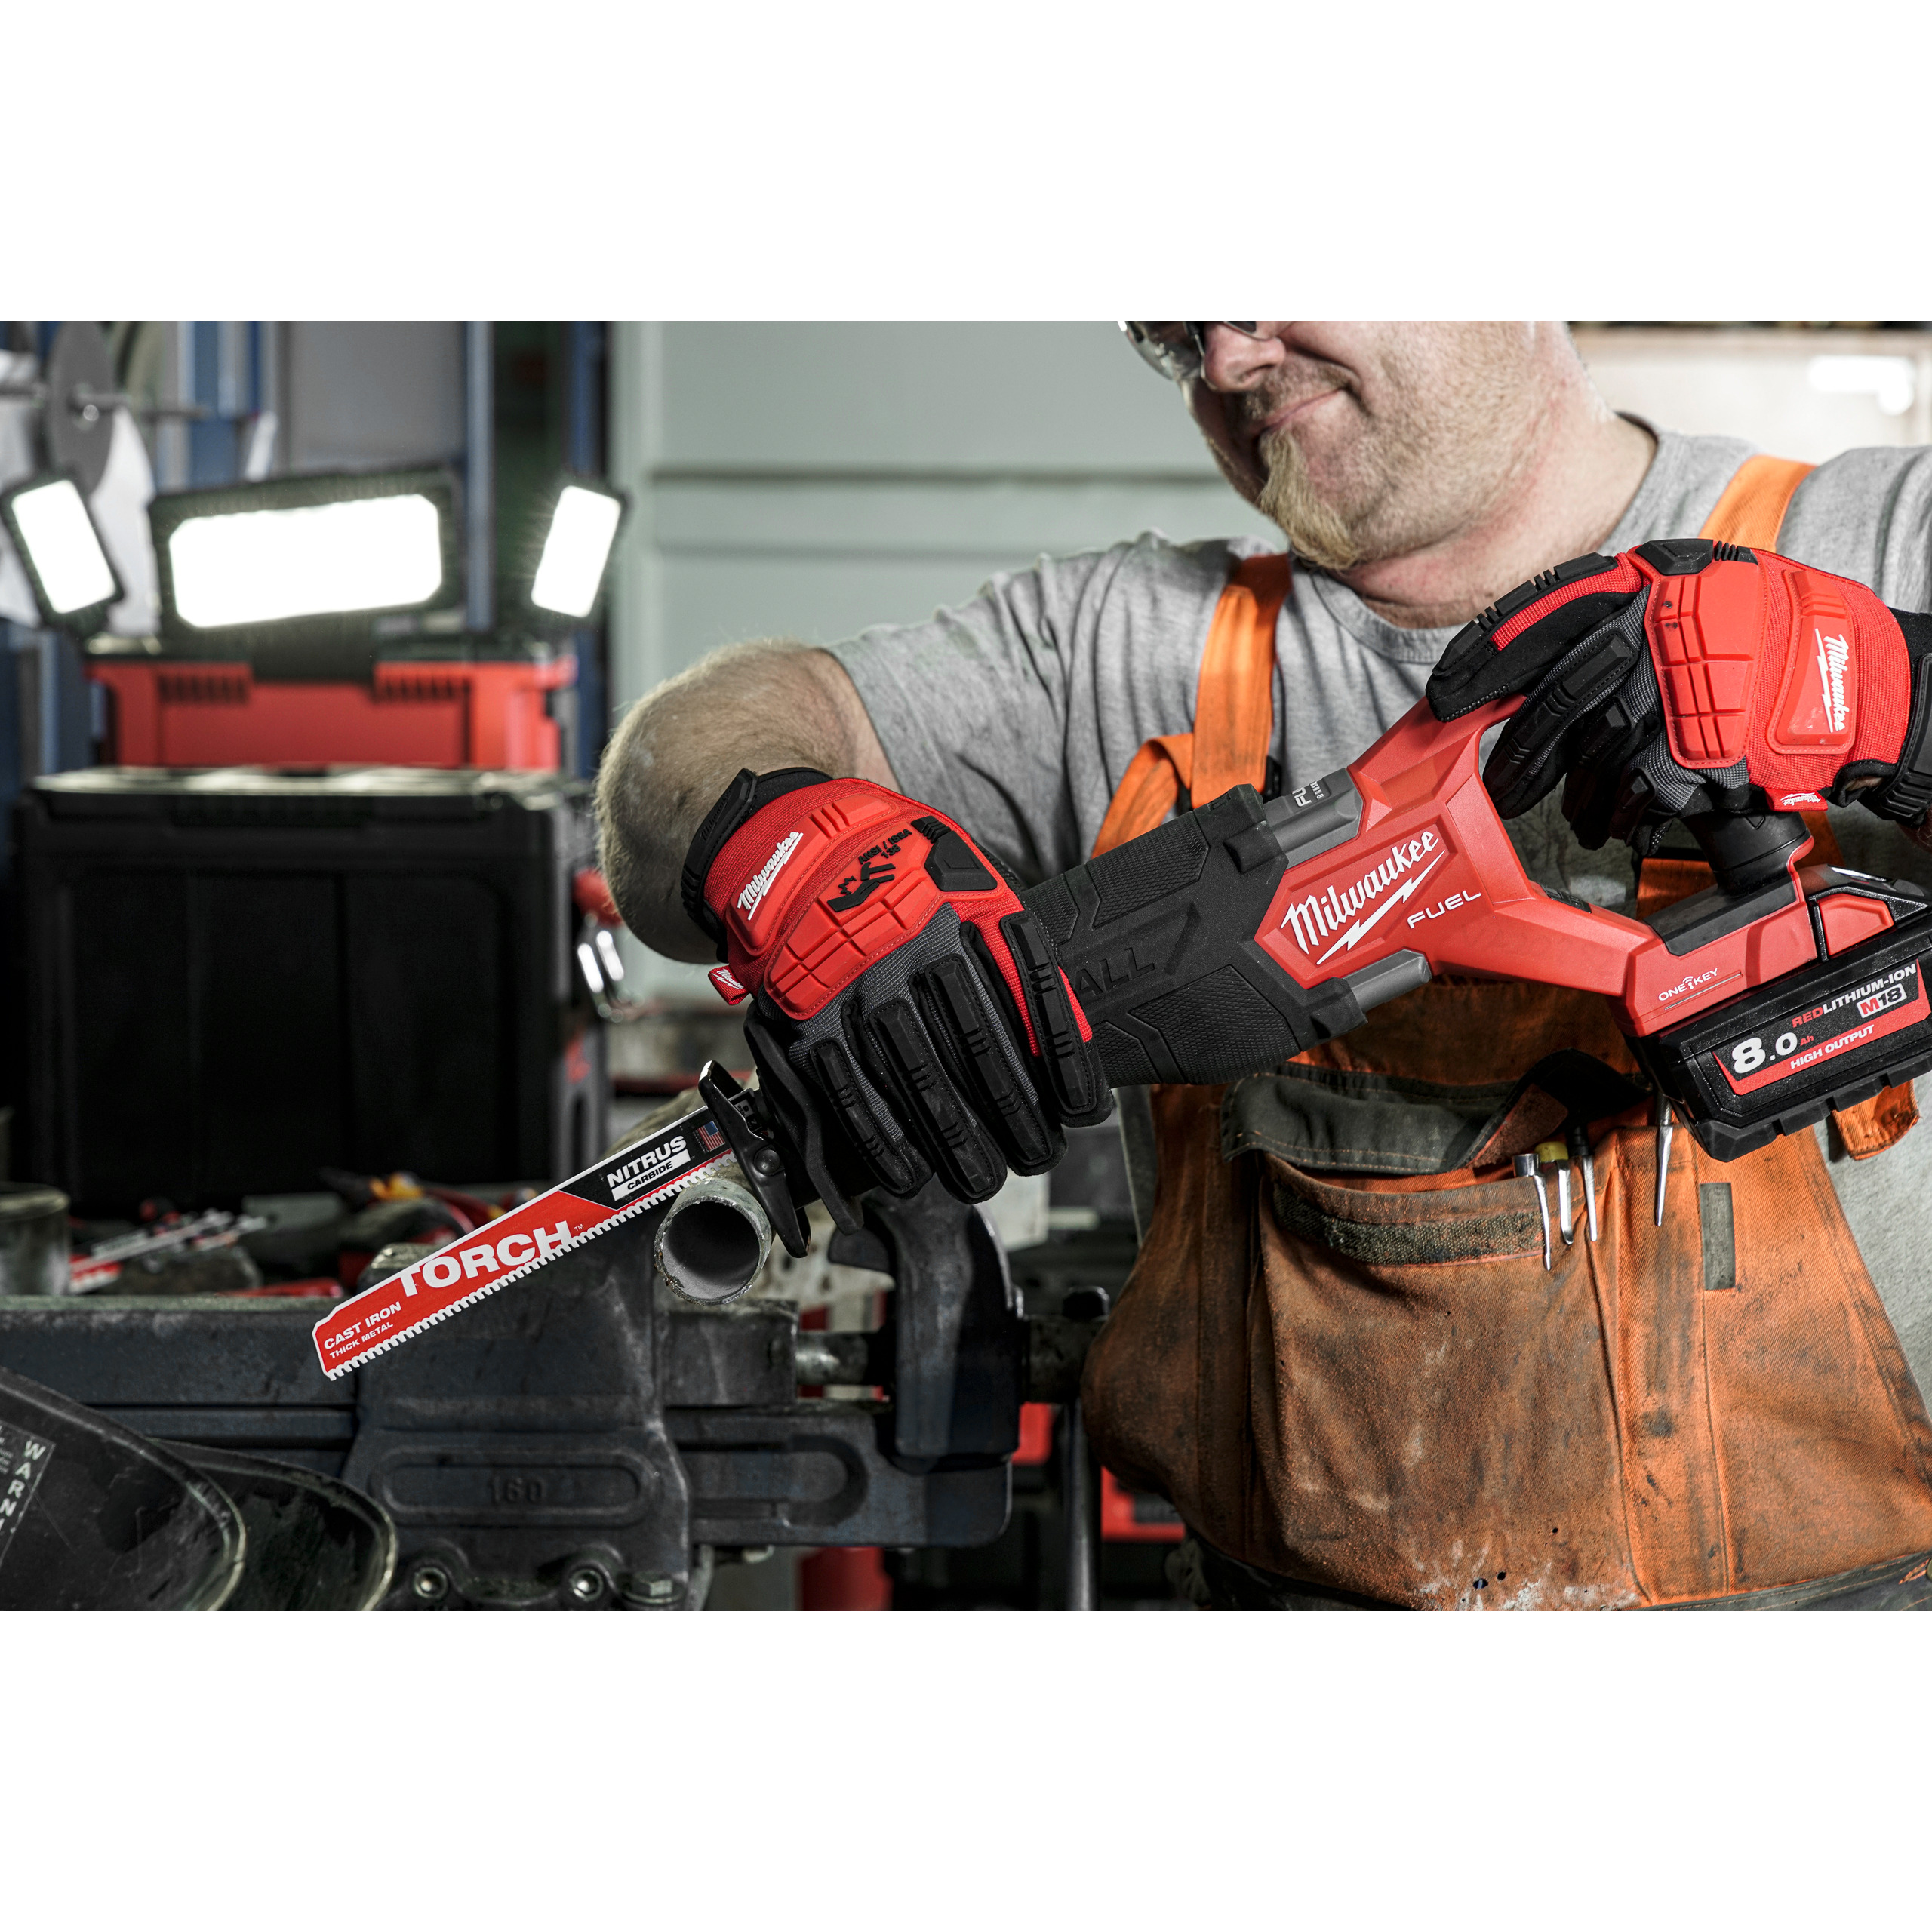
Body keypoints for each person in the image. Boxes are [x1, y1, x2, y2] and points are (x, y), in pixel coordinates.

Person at [598, 323, 1932, 1610]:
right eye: (1177, 332)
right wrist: (788, 853)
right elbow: (668, 766)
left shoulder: (1877, 534)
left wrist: (1880, 687)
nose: (1228, 359)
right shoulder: (1123, 649)